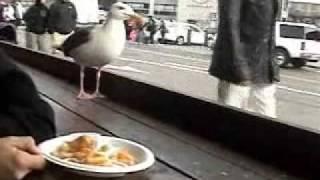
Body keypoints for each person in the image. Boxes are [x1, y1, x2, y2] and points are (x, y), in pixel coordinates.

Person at [208, 0, 280, 118]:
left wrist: (272, 65)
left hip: (263, 66)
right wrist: (239, 66)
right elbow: (230, 25)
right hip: (237, 65)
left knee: (268, 114)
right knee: (231, 112)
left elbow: (269, 31)